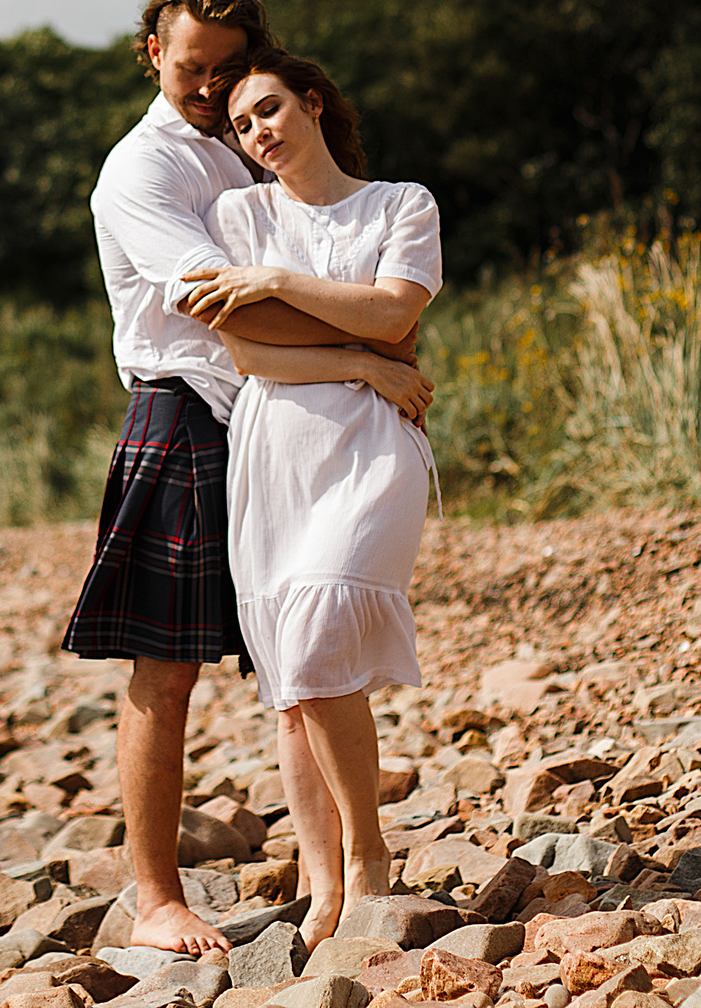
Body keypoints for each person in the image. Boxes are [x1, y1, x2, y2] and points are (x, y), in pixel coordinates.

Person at [62, 0, 421, 957]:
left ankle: (329, 872)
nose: (209, 87)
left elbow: (345, 265)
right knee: (166, 671)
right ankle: (155, 896)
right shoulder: (141, 170)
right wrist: (363, 343)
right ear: (152, 54)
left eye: (227, 69)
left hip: (283, 415)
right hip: (184, 413)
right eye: (191, 68)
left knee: (297, 650)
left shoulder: (251, 136)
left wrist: (365, 336)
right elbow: (226, 306)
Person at [180, 48, 439, 951]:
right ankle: (321, 879)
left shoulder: (402, 203)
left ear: (313, 102)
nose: (258, 133)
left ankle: (367, 852)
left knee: (324, 621)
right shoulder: (237, 212)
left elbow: (395, 311)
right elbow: (248, 351)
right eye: (243, 125)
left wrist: (285, 283)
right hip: (274, 448)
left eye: (269, 109)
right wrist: (362, 358)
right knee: (294, 678)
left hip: (373, 447)